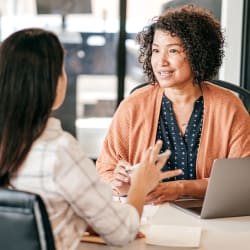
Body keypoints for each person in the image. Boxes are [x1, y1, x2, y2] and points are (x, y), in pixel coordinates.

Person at [0, 28, 182, 250]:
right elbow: (123, 232)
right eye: (62, 70)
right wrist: (140, 185)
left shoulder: (13, 146)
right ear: (52, 82)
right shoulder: (60, 151)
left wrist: (89, 220)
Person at [96, 4, 250, 204]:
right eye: (156, 51)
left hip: (207, 217)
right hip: (146, 214)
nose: (161, 61)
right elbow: (105, 171)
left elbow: (243, 179)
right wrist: (122, 186)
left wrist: (182, 188)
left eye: (173, 51)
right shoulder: (133, 106)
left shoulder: (229, 107)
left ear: (197, 53)